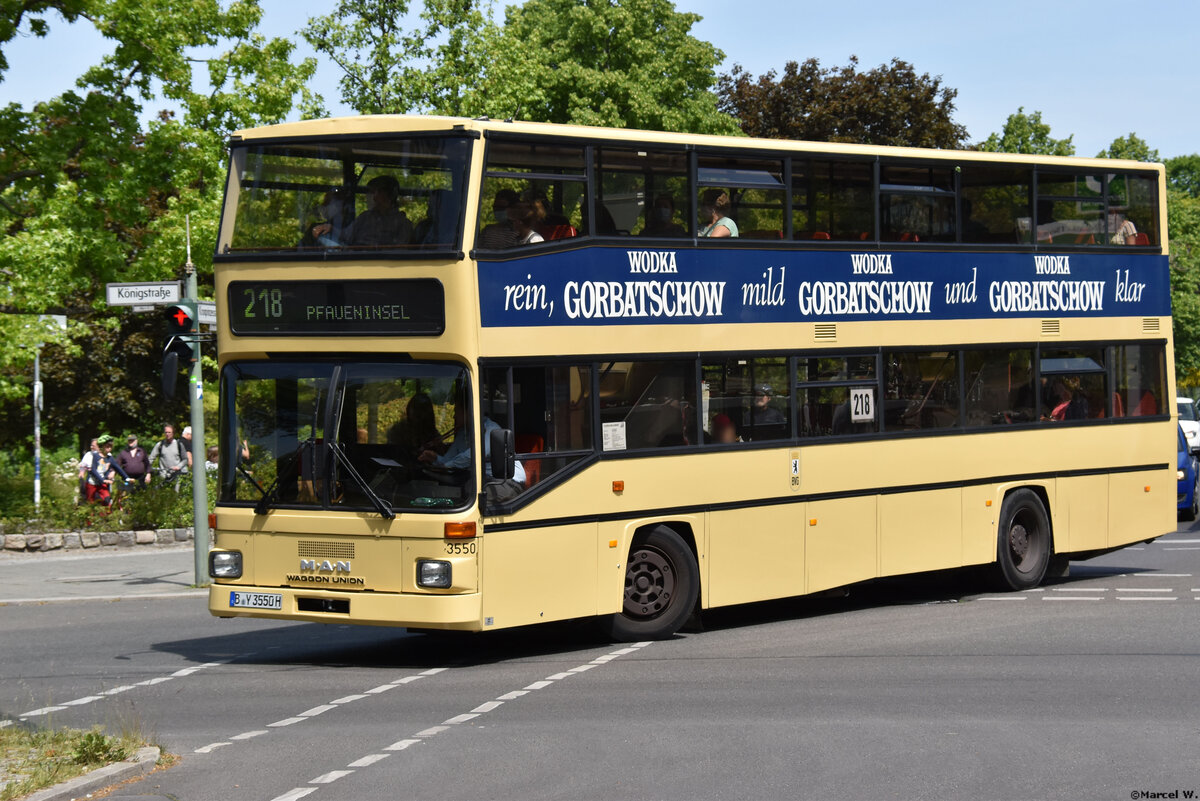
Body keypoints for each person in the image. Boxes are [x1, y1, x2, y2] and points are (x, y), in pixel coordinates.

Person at [417, 402, 525, 504]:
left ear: (468, 411)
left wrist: (446, 466)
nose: (454, 416)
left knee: (471, 495)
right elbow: (448, 462)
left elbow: (475, 454)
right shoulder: (462, 434)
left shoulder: (491, 428)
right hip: (482, 479)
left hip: (507, 482)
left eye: (456, 412)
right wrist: (435, 459)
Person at [314, 175, 412, 247]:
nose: (369, 196)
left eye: (372, 192)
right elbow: (346, 235)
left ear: (386, 194)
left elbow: (399, 254)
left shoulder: (403, 223)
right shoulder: (365, 217)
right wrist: (330, 227)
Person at [79, 434, 116, 505]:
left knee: (105, 499)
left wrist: (112, 472)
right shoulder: (88, 454)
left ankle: (104, 514)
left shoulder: (108, 455)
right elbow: (83, 465)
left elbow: (112, 466)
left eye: (93, 445)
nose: (91, 447)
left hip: (104, 481)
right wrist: (81, 473)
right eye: (91, 445)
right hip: (92, 480)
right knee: (91, 500)